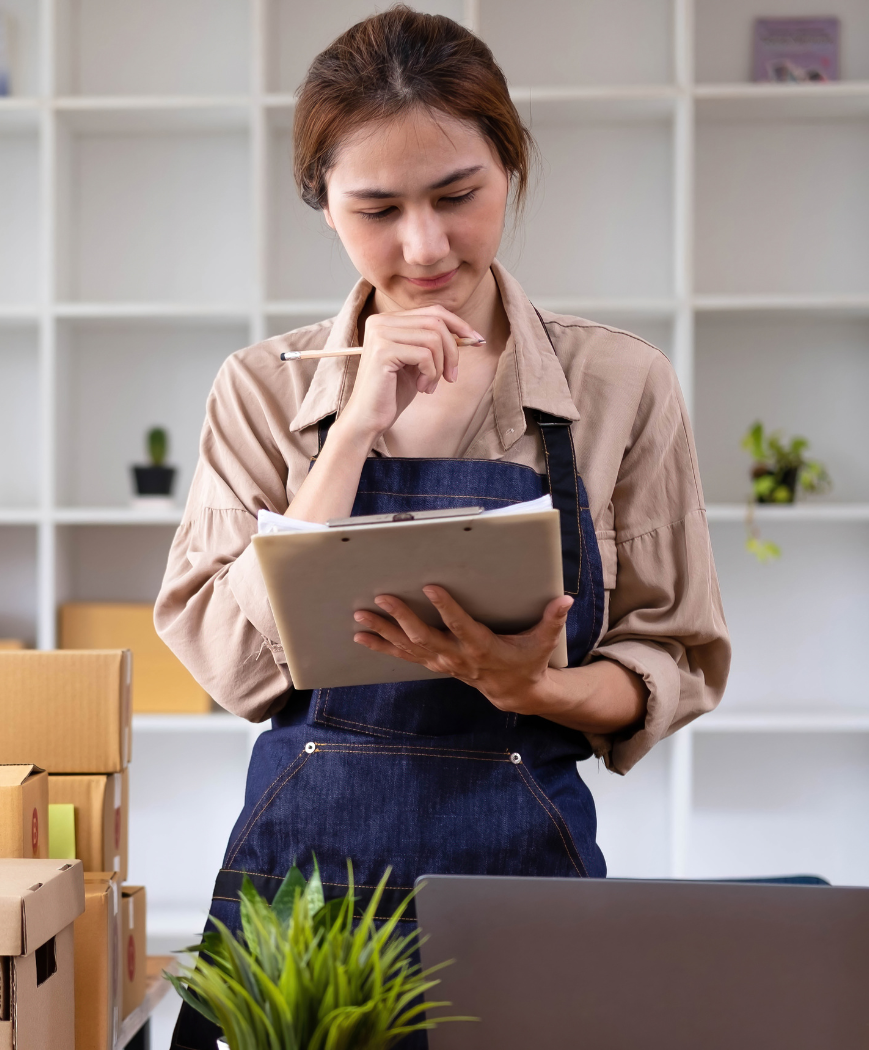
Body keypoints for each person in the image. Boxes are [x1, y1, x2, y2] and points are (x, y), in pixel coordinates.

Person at [154, 9, 731, 1047]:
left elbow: (672, 651)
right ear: (322, 206)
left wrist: (537, 688)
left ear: (509, 165)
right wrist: (349, 436)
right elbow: (236, 672)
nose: (425, 246)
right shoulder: (255, 392)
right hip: (305, 893)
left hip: (522, 872)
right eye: (377, 208)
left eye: (457, 195)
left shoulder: (618, 385)